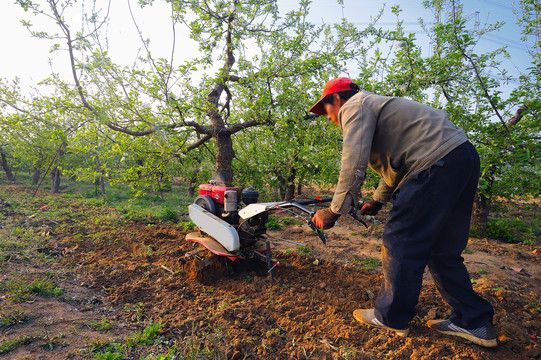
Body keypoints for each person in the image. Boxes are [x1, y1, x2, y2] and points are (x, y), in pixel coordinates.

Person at [310, 77, 496, 347]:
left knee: (400, 240)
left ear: (336, 99)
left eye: (326, 109)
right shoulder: (381, 110)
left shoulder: (354, 106)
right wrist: (376, 200)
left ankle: (390, 316)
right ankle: (475, 322)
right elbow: (397, 167)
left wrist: (334, 210)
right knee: (442, 250)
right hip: (461, 158)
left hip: (435, 164)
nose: (328, 118)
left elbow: (353, 160)